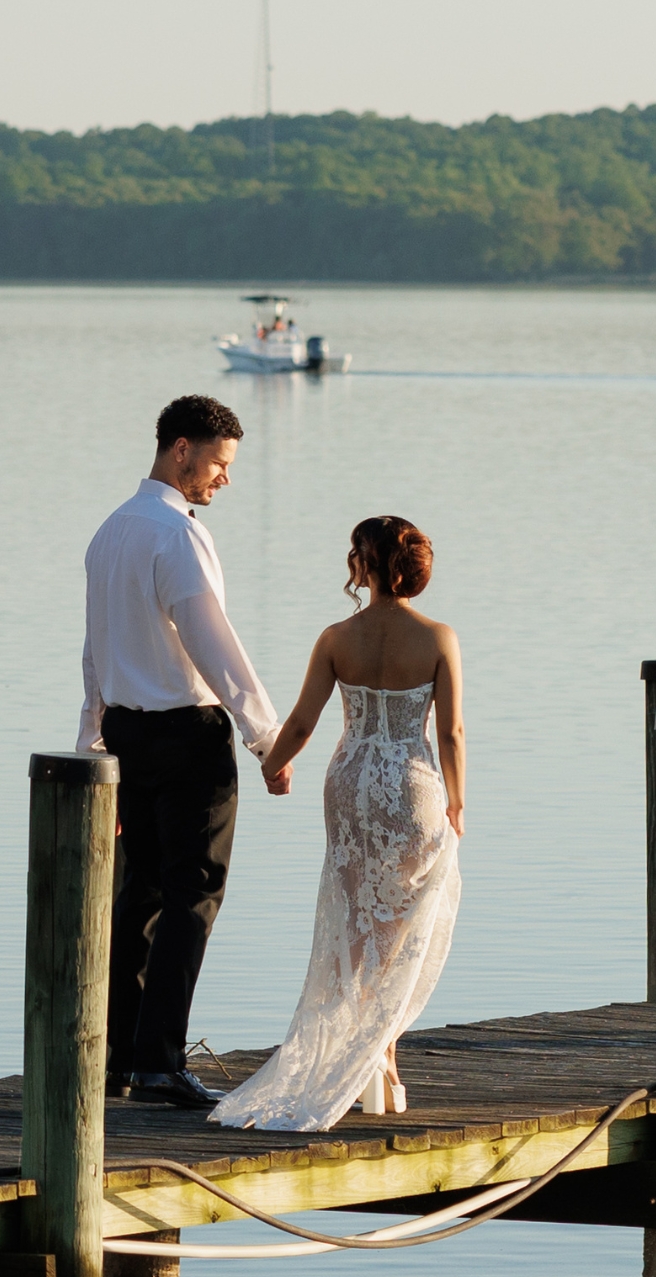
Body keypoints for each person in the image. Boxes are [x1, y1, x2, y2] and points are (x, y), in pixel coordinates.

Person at [209, 515, 465, 1131]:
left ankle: (359, 1061)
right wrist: (458, 801)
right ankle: (383, 1061)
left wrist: (274, 767)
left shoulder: (335, 637)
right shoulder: (438, 638)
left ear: (366, 566)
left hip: (350, 782)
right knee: (402, 924)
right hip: (411, 785)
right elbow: (451, 732)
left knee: (352, 920)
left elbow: (300, 723)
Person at [78, 394, 285, 1110]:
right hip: (186, 736)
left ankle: (114, 1058)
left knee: (139, 893)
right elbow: (210, 640)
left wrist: (92, 740)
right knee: (192, 893)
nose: (223, 479)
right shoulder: (177, 534)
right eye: (219, 464)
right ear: (181, 450)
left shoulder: (110, 532)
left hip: (128, 736)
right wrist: (268, 736)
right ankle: (160, 1059)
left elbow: (95, 648)